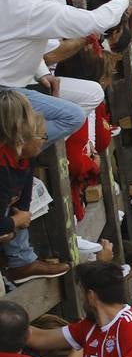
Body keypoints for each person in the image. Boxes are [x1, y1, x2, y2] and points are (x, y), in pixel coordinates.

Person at [0, 0, 131, 148]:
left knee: (89, 95)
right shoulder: (38, 6)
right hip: (7, 92)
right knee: (73, 116)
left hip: (16, 82)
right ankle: (15, 152)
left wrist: (42, 73)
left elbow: (18, 40)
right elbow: (96, 22)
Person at [0, 91, 70, 284]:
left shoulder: (24, 158)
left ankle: (22, 261)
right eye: (42, 136)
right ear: (22, 137)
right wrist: (15, 221)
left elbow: (24, 198)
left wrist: (20, 217)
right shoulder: (3, 165)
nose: (44, 141)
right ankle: (21, 262)